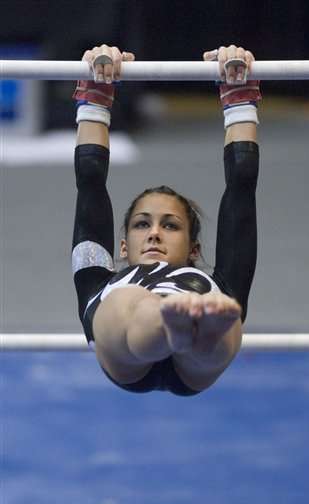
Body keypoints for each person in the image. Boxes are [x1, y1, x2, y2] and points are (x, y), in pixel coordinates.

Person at [71, 44, 260, 396]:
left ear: (194, 248)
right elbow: (90, 184)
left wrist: (239, 100)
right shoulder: (101, 280)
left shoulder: (216, 282)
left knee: (218, 319)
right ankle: (169, 325)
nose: (155, 233)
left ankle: (184, 329)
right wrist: (241, 98)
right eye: (142, 224)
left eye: (170, 225)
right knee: (127, 302)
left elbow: (242, 189)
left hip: (199, 353)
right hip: (130, 344)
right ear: (122, 245)